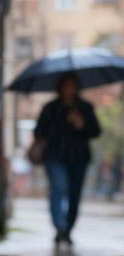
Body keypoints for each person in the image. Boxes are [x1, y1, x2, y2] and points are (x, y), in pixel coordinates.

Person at [33, 73, 101, 244]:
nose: (69, 89)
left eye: (72, 85)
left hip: (79, 158)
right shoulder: (50, 108)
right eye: (66, 85)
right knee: (58, 188)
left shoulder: (85, 108)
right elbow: (39, 131)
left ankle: (68, 229)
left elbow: (96, 131)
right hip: (55, 156)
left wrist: (81, 124)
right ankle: (60, 226)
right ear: (61, 87)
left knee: (74, 195)